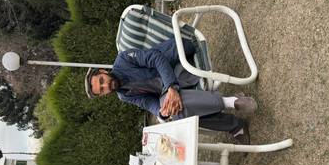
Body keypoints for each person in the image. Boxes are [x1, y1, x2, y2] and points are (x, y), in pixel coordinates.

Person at [84, 38, 257, 144]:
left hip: (178, 60)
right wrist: (163, 112)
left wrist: (172, 88)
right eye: (102, 90)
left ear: (103, 72)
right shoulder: (124, 95)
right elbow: (148, 103)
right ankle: (232, 104)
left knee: (179, 108)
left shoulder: (123, 59)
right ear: (103, 95)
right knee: (177, 112)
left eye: (102, 81)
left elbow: (156, 58)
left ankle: (232, 116)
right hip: (169, 88)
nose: (106, 86)